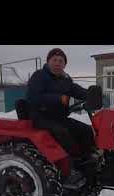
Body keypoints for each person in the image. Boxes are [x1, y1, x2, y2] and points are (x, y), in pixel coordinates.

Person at [26, 48, 96, 188]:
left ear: (64, 64)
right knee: (63, 133)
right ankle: (68, 171)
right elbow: (34, 97)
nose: (57, 63)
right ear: (48, 61)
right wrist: (59, 98)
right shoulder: (39, 76)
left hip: (59, 117)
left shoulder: (65, 79)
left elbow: (76, 90)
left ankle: (86, 162)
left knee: (86, 130)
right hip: (40, 117)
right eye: (54, 60)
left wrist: (92, 95)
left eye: (61, 61)